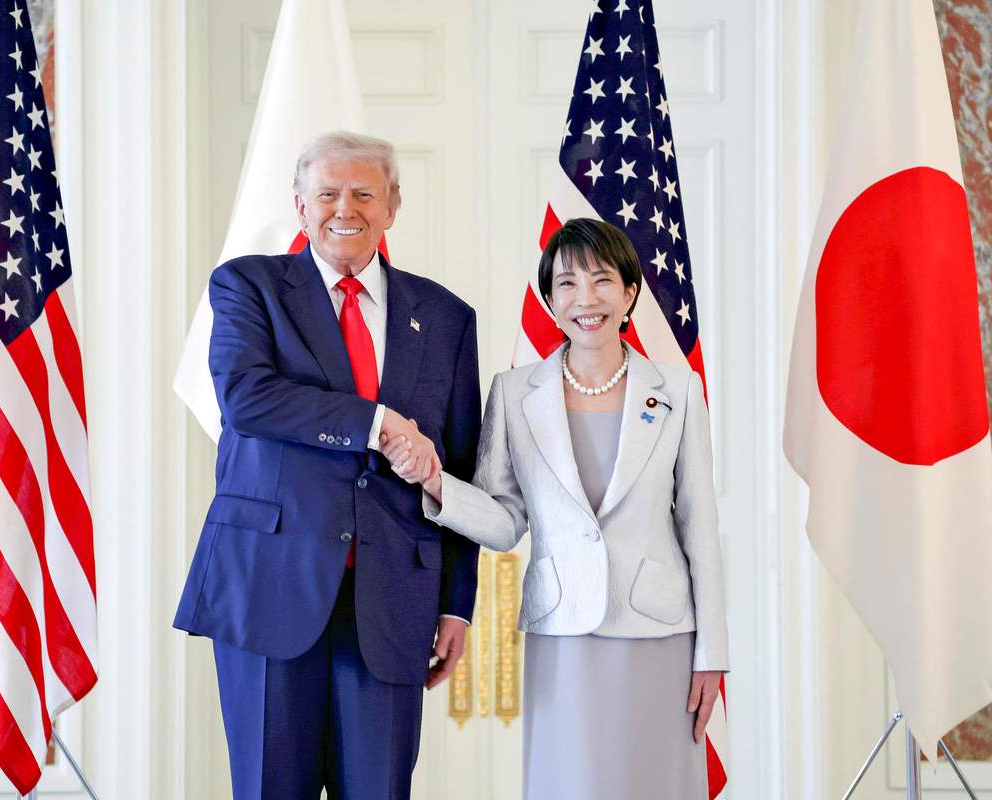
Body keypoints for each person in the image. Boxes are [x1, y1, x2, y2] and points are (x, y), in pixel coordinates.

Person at [174, 130, 482, 799]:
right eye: (328, 193)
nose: (346, 206)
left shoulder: (448, 317)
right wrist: (378, 423)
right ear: (300, 205)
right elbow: (247, 398)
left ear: (393, 205)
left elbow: (459, 467)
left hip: (395, 598)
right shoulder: (247, 287)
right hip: (269, 586)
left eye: (364, 192)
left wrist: (457, 605)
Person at [386, 218, 728, 798]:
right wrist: (437, 482)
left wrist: (712, 653)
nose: (585, 299)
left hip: (660, 633)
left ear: (629, 293)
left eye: (602, 281)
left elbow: (700, 527)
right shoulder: (515, 392)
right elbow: (504, 520)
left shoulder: (677, 390)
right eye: (567, 284)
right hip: (562, 628)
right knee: (568, 781)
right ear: (549, 298)